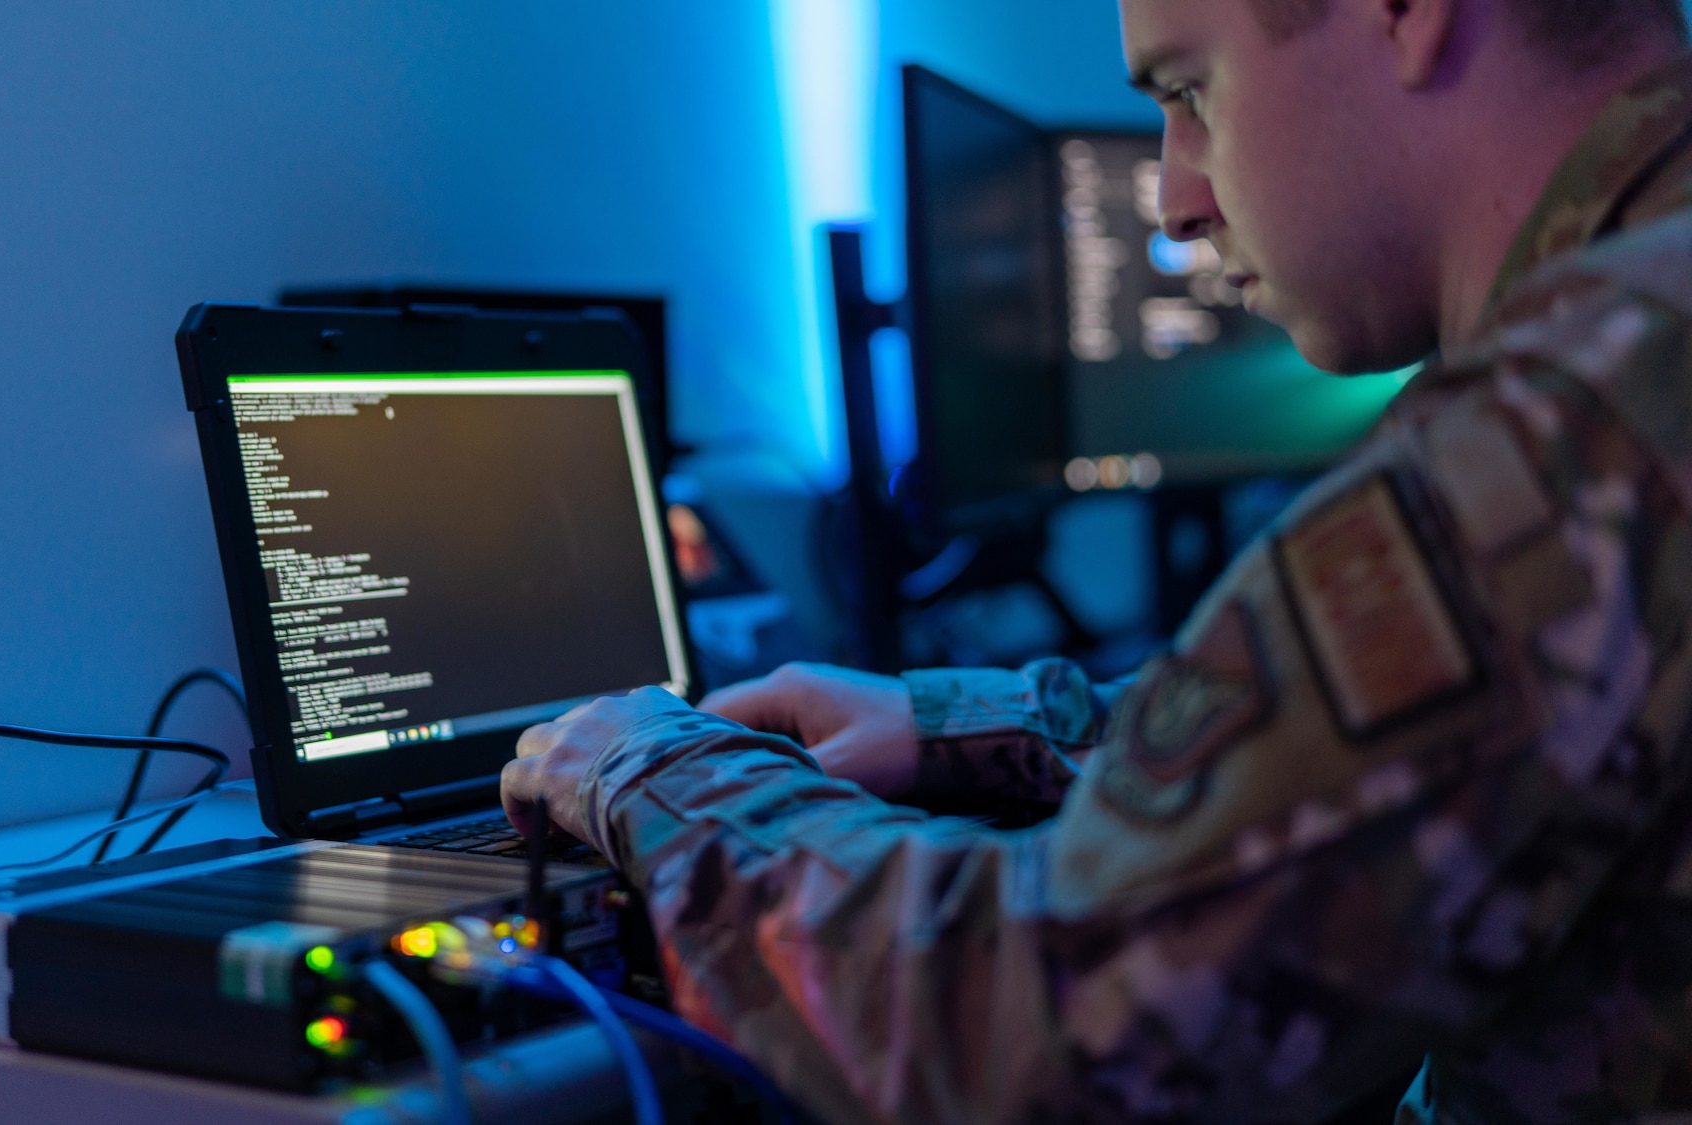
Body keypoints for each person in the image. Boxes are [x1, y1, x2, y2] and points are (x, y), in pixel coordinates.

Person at [503, 0, 1692, 1118]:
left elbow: (1019, 1038)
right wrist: (967, 726)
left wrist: (649, 763)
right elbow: (1391, 754)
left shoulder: (1580, 409)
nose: (1172, 197)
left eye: (1190, 89)